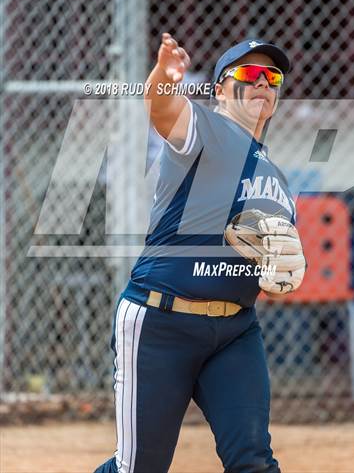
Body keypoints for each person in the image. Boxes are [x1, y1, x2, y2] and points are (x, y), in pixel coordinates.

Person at [94, 33, 306, 473]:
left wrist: (282, 274)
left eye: (272, 77)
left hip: (234, 332)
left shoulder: (280, 182)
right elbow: (164, 110)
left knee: (253, 462)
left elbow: (270, 271)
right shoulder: (206, 131)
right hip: (161, 322)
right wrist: (165, 78)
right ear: (219, 90)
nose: (263, 83)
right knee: (139, 468)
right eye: (248, 74)